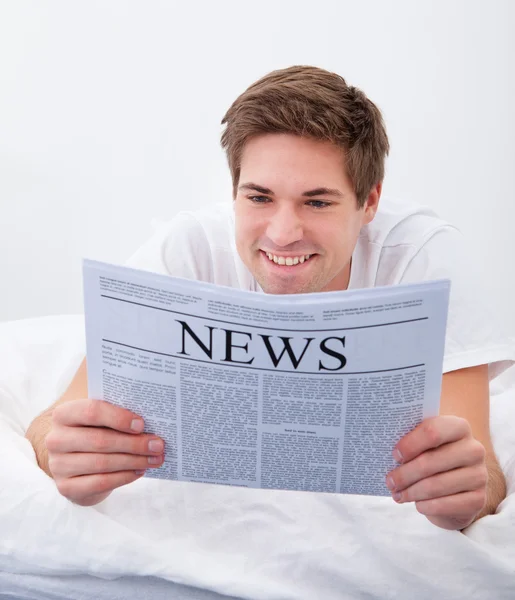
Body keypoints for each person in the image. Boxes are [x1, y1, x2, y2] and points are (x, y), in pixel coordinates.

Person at [25, 65, 512, 531]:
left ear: (369, 203)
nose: (282, 234)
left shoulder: (426, 261)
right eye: (258, 197)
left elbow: (483, 471)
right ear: (234, 190)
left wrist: (464, 495)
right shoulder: (188, 249)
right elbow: (52, 423)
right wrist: (65, 452)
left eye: (317, 202)